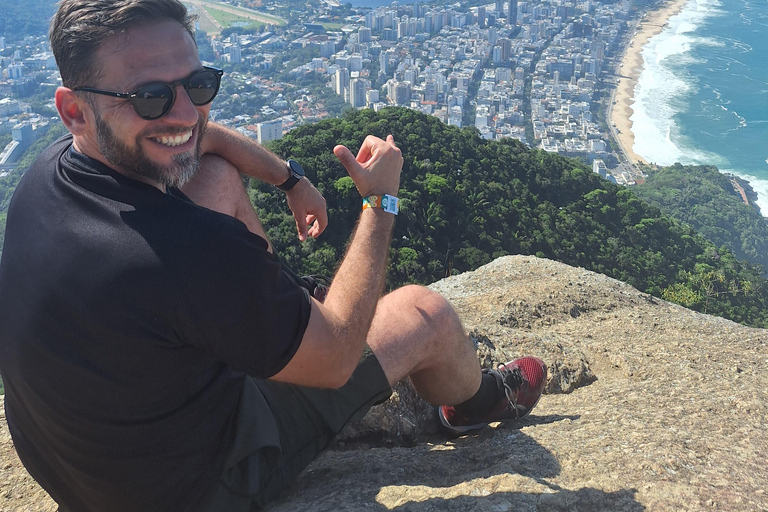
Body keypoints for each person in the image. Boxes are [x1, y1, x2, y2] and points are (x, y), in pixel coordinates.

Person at [0, 1, 547, 510]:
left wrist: (290, 179)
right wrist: (381, 201)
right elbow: (334, 362)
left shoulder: (48, 175)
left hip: (87, 465)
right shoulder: (189, 253)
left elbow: (202, 139)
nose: (187, 113)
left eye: (197, 83)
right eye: (151, 97)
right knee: (427, 313)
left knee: (211, 175)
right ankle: (477, 407)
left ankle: (276, 312)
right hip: (199, 483)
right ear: (74, 109)